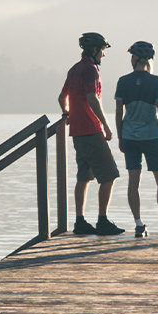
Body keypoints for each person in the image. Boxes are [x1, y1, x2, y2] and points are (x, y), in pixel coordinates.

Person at [58, 31, 123, 235]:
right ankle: (102, 221)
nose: (103, 55)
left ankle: (79, 221)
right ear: (94, 50)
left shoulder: (74, 69)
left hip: (77, 133)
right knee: (109, 175)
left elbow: (61, 97)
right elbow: (92, 98)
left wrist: (67, 114)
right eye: (103, 51)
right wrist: (105, 124)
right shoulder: (91, 70)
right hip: (91, 131)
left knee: (83, 177)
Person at [114, 41, 158, 239]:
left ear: (133, 59)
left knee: (134, 181)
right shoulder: (156, 81)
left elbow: (118, 113)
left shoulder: (123, 81)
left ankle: (138, 225)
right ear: (149, 60)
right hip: (152, 137)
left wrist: (120, 137)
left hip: (129, 137)